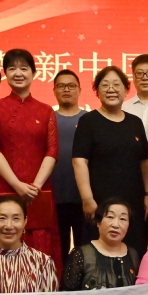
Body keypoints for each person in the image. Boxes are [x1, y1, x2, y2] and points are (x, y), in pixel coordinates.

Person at [0, 48, 62, 272]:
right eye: (12, 68)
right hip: (5, 185)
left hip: (38, 189)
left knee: (39, 245)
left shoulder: (46, 110)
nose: (18, 73)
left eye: (24, 68)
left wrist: (35, 186)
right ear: (5, 74)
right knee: (5, 238)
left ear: (34, 73)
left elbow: (52, 150)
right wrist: (17, 185)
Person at [72, 66, 148, 257]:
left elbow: (145, 162)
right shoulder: (88, 121)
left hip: (133, 202)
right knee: (98, 253)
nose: (111, 89)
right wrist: (87, 199)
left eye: (117, 85)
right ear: (97, 91)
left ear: (126, 90)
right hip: (99, 201)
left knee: (134, 252)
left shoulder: (135, 122)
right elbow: (79, 162)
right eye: (105, 85)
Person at [62, 198, 140, 290]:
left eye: (123, 219)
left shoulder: (132, 254)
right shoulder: (81, 254)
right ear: (98, 222)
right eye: (110, 217)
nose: (115, 225)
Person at [51, 69, 87, 266]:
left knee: (84, 249)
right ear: (54, 90)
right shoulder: (48, 119)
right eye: (61, 86)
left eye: (71, 85)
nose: (67, 89)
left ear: (80, 90)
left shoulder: (89, 119)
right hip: (54, 196)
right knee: (57, 250)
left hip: (83, 198)